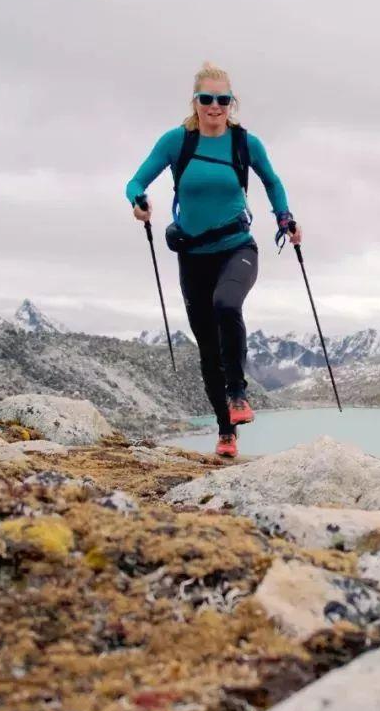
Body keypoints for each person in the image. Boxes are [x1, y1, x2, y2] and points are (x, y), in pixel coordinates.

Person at [125, 61, 300, 458]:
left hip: (237, 247)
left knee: (227, 304)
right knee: (207, 347)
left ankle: (238, 394)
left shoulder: (244, 144)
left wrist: (285, 218)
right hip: (193, 255)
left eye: (223, 99)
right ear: (196, 101)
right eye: (207, 99)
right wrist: (138, 201)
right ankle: (226, 432)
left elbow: (272, 181)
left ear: (231, 103)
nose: (215, 106)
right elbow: (136, 181)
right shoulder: (177, 141)